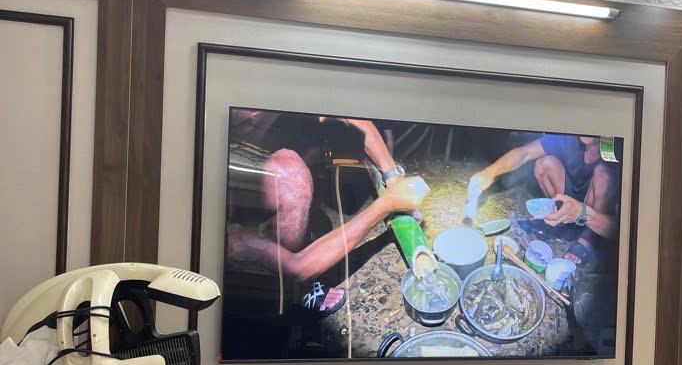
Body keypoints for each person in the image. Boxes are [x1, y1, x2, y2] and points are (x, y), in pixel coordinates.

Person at [226, 111, 423, 308]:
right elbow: (298, 268)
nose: (255, 115)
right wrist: (385, 205)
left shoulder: (260, 112)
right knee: (291, 275)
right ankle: (298, 291)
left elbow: (355, 119)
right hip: (236, 246)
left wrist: (392, 176)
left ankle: (297, 238)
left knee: (293, 176)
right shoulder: (225, 236)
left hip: (243, 149)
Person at [467, 134, 618, 266]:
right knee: (544, 164)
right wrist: (489, 173)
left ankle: (588, 239)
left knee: (603, 174)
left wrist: (582, 213)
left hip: (592, 210)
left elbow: (619, 230)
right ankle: (561, 220)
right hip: (570, 198)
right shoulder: (570, 137)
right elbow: (525, 153)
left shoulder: (617, 149)